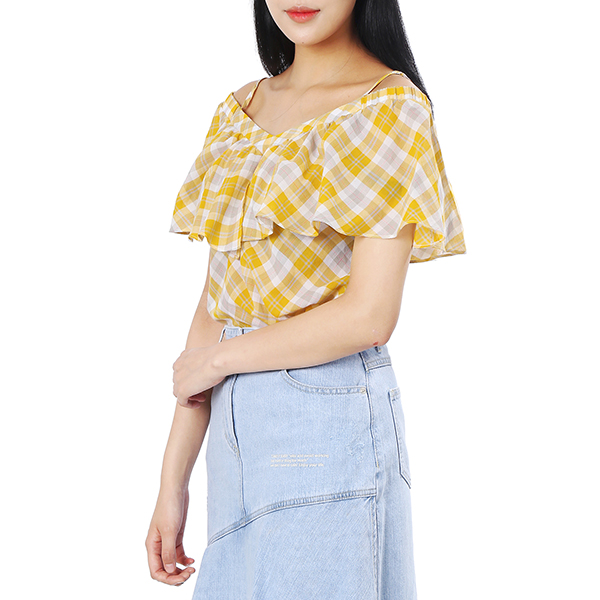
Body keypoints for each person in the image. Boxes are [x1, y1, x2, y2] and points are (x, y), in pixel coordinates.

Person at [146, 1, 466, 598]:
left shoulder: (388, 108)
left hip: (323, 420)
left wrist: (219, 361)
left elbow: (369, 316)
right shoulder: (239, 110)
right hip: (233, 440)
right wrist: (173, 481)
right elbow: (217, 303)